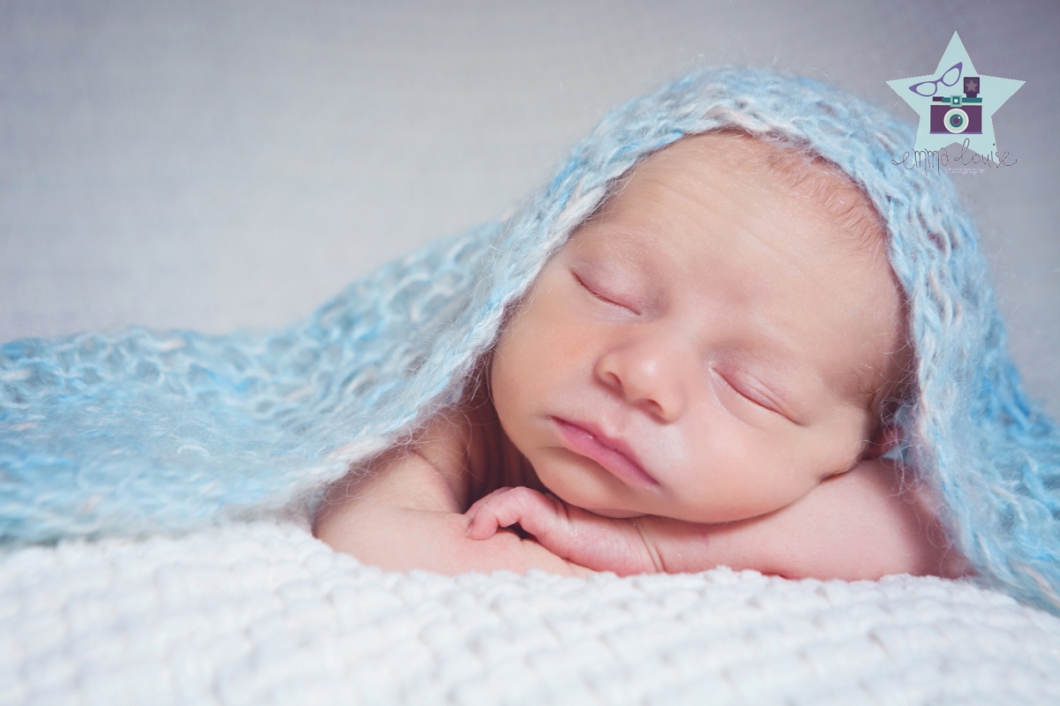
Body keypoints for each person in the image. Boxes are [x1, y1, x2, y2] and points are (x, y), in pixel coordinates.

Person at [313, 131, 969, 581]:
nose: (641, 372)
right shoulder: (468, 405)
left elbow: (946, 526)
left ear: (865, 449)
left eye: (747, 385)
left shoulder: (893, 477)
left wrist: (651, 551)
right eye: (609, 293)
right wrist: (559, 573)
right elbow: (371, 529)